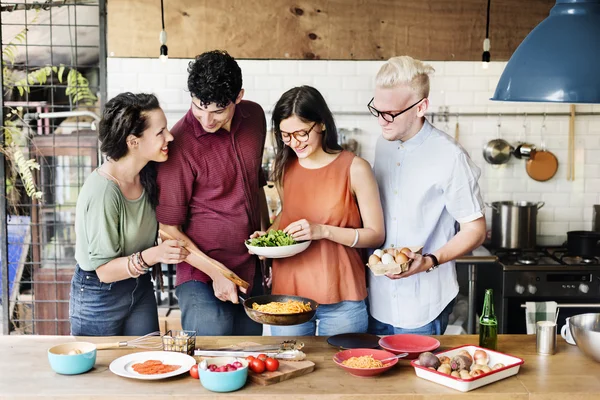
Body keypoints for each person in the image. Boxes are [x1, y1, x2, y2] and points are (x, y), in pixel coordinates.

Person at [251, 85, 385, 336]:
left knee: (340, 374)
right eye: (285, 135)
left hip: (342, 296)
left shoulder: (355, 168)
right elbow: (287, 214)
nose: (294, 143)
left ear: (321, 124)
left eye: (301, 133)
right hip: (288, 297)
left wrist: (322, 231)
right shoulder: (284, 168)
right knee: (293, 372)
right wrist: (267, 238)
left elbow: (376, 234)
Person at [367, 56, 486, 335]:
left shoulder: (450, 156)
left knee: (416, 378)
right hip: (377, 299)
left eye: (391, 113)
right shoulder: (382, 145)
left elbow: (475, 229)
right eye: (377, 110)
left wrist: (430, 261)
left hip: (423, 303)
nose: (382, 121)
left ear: (421, 107)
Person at [156, 50, 269, 336]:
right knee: (210, 357)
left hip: (250, 268)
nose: (206, 120)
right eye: (198, 106)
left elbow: (256, 186)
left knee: (249, 358)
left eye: (218, 110)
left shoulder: (255, 117)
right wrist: (217, 273)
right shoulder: (179, 142)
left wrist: (268, 245)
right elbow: (168, 230)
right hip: (199, 275)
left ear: (238, 97)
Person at [70, 92, 188, 336]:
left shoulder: (147, 175)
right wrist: (155, 255)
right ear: (133, 142)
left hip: (140, 285)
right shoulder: (103, 191)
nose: (170, 136)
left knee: (149, 362)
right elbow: (104, 271)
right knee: (99, 372)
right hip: (99, 295)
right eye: (160, 132)